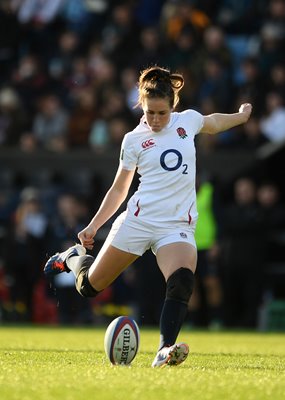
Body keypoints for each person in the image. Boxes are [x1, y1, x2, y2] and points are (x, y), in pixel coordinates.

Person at [44, 66, 252, 367]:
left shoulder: (187, 122)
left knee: (181, 280)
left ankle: (165, 349)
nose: (155, 119)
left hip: (175, 226)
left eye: (161, 113)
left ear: (173, 107)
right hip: (137, 223)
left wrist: (241, 116)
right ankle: (73, 257)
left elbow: (213, 122)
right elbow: (119, 190)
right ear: (142, 105)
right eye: (150, 112)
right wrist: (92, 226)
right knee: (90, 286)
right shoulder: (133, 140)